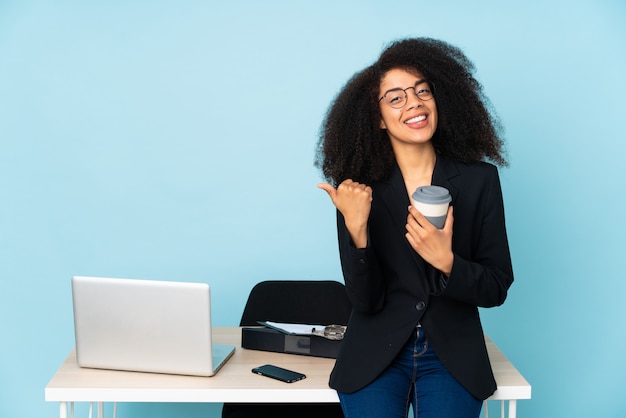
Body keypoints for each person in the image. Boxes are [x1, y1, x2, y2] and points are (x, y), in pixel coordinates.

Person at [315, 38, 514, 418]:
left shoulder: (479, 181)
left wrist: (448, 263)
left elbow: (496, 286)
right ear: (376, 117)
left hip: (452, 357)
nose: (414, 103)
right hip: (376, 355)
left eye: (423, 91)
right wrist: (356, 229)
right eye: (396, 98)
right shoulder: (358, 189)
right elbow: (366, 301)